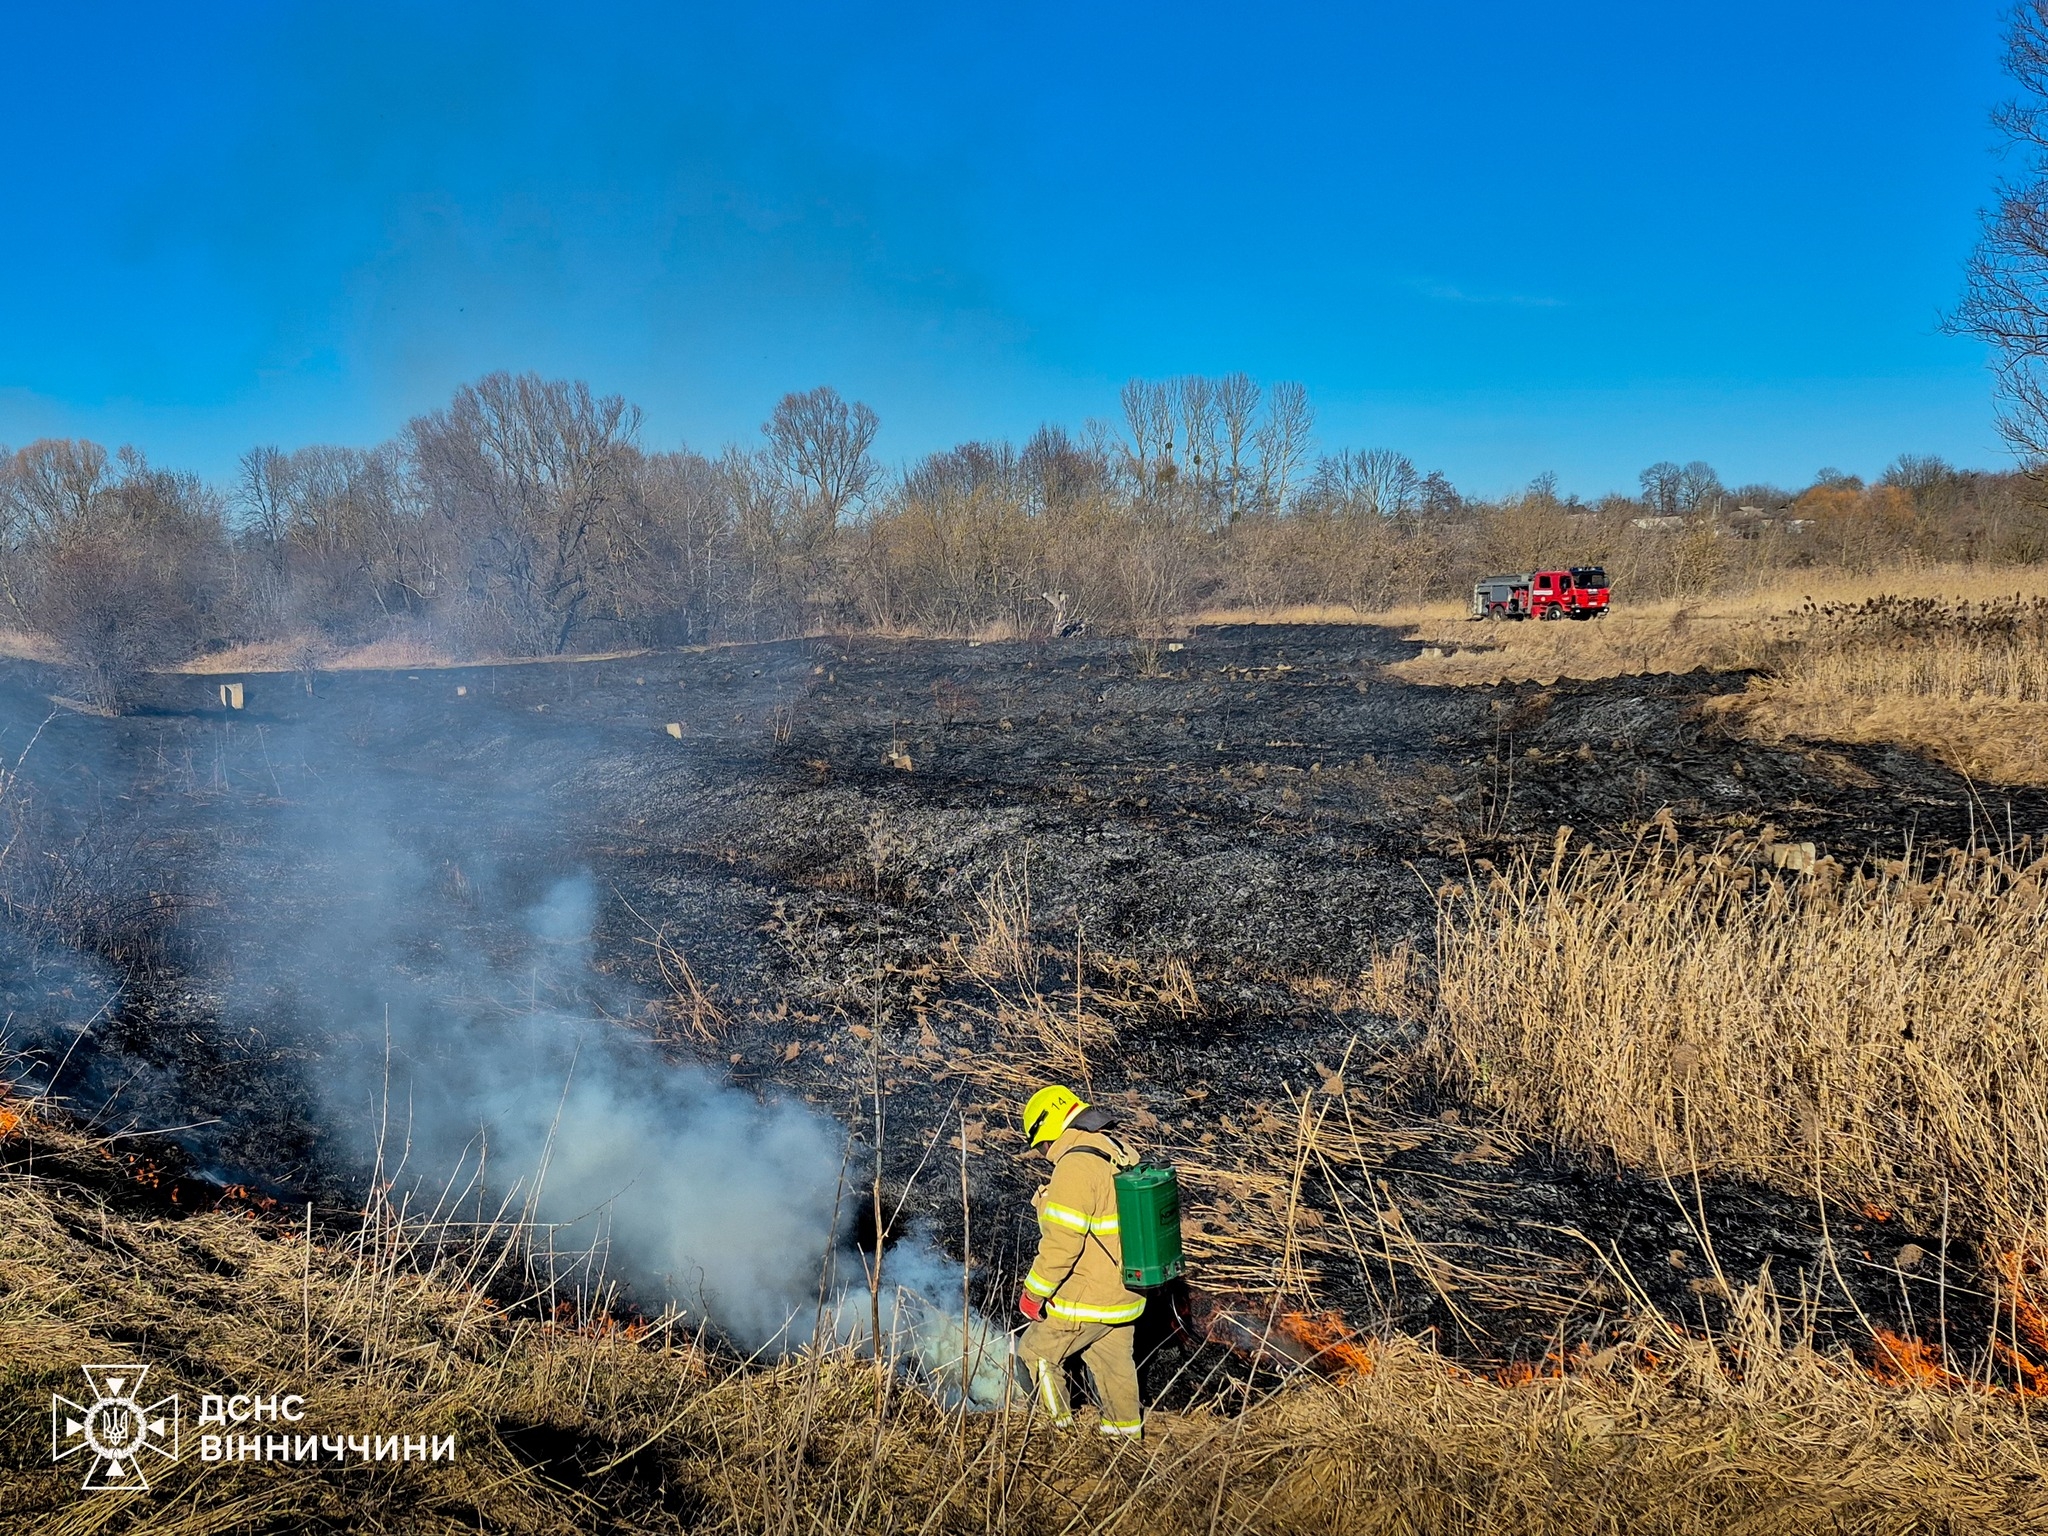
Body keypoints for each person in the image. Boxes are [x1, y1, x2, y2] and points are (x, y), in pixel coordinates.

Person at [1013, 1084, 1145, 1439]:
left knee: (1036, 1352)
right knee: (1113, 1366)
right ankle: (1126, 1444)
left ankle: (1057, 1436)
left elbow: (1062, 1245)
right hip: (1127, 1292)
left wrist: (1034, 1294)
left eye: (1040, 1143)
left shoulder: (1074, 1167)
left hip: (1090, 1295)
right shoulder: (1117, 1150)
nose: (1042, 1153)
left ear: (1051, 1128)